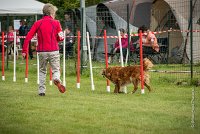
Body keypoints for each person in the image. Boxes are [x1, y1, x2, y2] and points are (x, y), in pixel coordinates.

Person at [22, 3, 66, 96]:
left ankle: (41, 91)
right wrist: (56, 38)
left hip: (42, 51)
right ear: (51, 13)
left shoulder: (37, 23)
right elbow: (61, 38)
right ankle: (56, 78)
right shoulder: (56, 23)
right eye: (54, 13)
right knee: (56, 69)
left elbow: (28, 37)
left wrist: (24, 51)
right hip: (54, 50)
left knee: (42, 70)